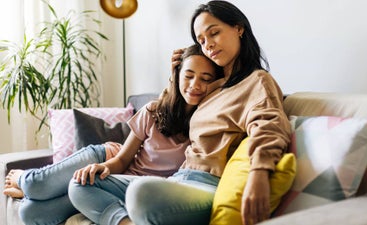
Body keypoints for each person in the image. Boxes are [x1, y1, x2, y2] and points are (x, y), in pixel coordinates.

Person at [3, 44, 222, 225]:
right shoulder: (154, 111)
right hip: (108, 158)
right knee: (35, 185)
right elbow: (123, 159)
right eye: (189, 75)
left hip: (135, 189)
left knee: (31, 213)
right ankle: (24, 179)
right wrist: (105, 167)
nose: (195, 85)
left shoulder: (208, 124)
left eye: (206, 78)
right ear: (177, 76)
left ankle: (39, 192)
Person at [123, 1, 292, 225]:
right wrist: (176, 74)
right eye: (201, 41)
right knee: (83, 186)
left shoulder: (257, 81)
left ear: (239, 28)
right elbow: (173, 109)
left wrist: (259, 173)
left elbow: (269, 125)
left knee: (139, 193)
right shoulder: (214, 87)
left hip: (206, 185)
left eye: (214, 33)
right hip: (179, 178)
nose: (208, 45)